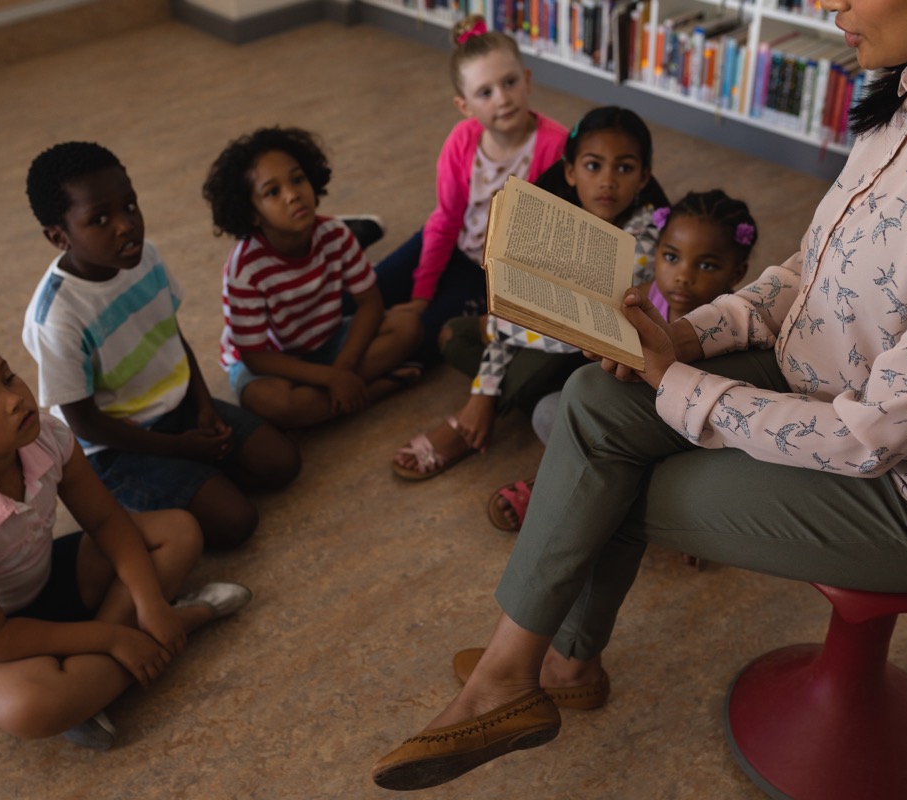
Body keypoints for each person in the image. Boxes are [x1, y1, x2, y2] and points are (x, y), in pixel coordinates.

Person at [372, 0, 907, 789]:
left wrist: (677, 383)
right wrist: (685, 337)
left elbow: (873, 435)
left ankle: (537, 669)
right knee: (593, 400)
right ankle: (538, 665)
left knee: (616, 476)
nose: (825, 5)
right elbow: (806, 277)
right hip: (826, 380)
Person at [0, 326, 252, 749]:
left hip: (40, 577)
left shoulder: (47, 434)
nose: (14, 399)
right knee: (31, 707)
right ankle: (185, 622)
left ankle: (98, 675)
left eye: (8, 376)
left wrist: (149, 601)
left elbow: (106, 522)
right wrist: (115, 637)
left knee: (178, 531)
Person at [22, 141, 300, 552]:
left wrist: (204, 405)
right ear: (58, 237)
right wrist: (179, 448)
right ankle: (133, 497)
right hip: (117, 447)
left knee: (282, 463)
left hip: (180, 408)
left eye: (129, 206)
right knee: (236, 521)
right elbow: (84, 426)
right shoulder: (57, 317)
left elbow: (171, 333)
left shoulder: (145, 257)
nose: (125, 226)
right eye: (100, 219)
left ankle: (193, 477)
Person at [392, 106, 668, 480]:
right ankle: (531, 397)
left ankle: (470, 423)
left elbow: (573, 332)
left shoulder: (647, 236)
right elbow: (524, 309)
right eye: (592, 165)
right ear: (570, 171)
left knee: (551, 343)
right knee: (454, 335)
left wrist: (482, 392)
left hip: (597, 357)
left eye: (624, 168)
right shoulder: (555, 217)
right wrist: (503, 335)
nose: (607, 181)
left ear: (643, 176)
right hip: (545, 336)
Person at [486, 189, 755, 530]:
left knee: (709, 478)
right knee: (550, 413)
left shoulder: (733, 325)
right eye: (671, 257)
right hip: (626, 423)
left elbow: (717, 426)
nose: (683, 275)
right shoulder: (642, 299)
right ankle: (620, 499)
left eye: (706, 265)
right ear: (657, 251)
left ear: (738, 272)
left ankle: (572, 491)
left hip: (684, 441)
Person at [371, 14, 569, 364]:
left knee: (418, 337)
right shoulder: (461, 140)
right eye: (485, 92)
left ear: (526, 80)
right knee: (368, 293)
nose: (502, 99)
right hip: (448, 240)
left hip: (491, 275)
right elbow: (446, 219)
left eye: (509, 83)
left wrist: (423, 308)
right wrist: (421, 291)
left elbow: (550, 247)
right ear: (464, 106)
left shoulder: (556, 146)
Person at [204, 126, 424, 429]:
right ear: (251, 214)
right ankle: (372, 390)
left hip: (328, 342)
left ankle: (336, 398)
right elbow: (255, 357)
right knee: (273, 403)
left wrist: (342, 368)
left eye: (297, 179)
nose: (293, 195)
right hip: (273, 362)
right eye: (272, 192)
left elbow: (370, 303)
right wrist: (332, 377)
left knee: (408, 326)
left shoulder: (335, 234)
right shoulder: (245, 270)